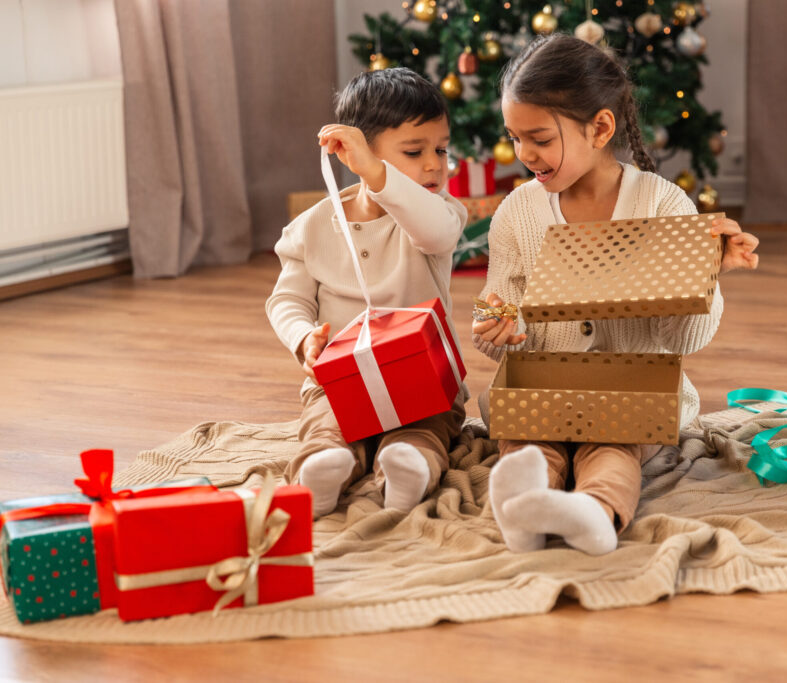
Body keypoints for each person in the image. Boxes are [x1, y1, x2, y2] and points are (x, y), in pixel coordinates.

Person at [473, 34, 760, 555]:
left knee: (613, 445)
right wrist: (496, 329)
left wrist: (706, 278)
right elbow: (500, 312)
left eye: (538, 138)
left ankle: (596, 512)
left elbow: (683, 339)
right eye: (514, 137)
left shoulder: (661, 203)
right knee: (529, 442)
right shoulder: (517, 212)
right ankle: (524, 510)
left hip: (633, 395)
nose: (523, 154)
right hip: (542, 390)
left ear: (600, 128)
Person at [267, 67, 469, 518]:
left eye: (441, 149)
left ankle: (409, 466)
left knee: (425, 427)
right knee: (327, 422)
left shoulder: (440, 214)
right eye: (415, 152)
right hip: (342, 378)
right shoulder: (312, 227)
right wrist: (303, 337)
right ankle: (324, 467)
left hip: (424, 377)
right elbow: (288, 299)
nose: (435, 164)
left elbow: (435, 234)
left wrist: (381, 173)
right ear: (355, 154)